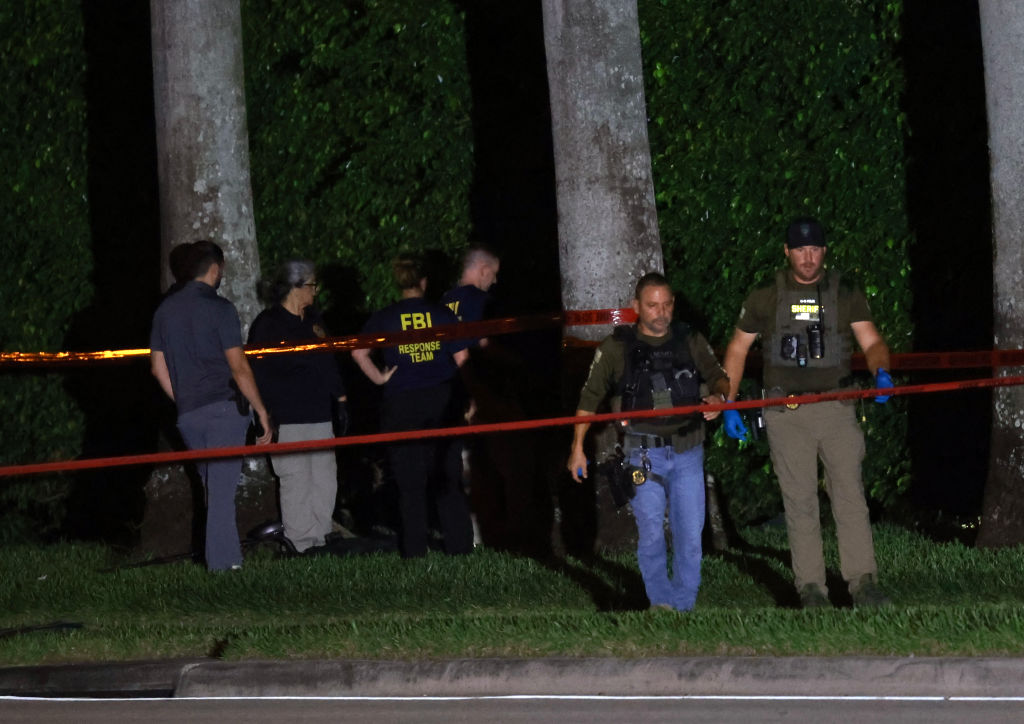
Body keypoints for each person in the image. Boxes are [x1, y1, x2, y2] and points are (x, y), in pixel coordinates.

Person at [722, 218, 894, 608]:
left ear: (825, 251)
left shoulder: (845, 291)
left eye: (815, 249)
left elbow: (872, 341)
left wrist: (881, 371)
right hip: (786, 411)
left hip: (836, 407)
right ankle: (812, 588)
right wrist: (730, 402)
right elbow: (736, 350)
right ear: (787, 252)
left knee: (849, 495)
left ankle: (863, 582)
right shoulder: (766, 295)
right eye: (800, 250)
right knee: (799, 500)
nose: (808, 257)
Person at [567, 272, 730, 612]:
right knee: (652, 533)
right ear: (636, 307)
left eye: (667, 304)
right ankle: (660, 603)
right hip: (642, 453)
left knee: (689, 536)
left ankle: (683, 607)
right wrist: (577, 447)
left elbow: (719, 377)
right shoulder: (616, 347)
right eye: (652, 305)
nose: (661, 312)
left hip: (688, 450)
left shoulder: (690, 339)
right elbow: (590, 396)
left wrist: (718, 397)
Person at [150, 240, 273, 571]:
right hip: (224, 409)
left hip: (189, 414)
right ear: (215, 269)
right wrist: (260, 409)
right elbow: (239, 366)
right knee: (220, 491)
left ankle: (223, 557)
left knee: (213, 488)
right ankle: (225, 567)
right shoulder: (220, 309)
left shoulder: (165, 311)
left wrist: (184, 399)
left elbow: (158, 369)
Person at [352, 253, 474, 558]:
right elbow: (463, 360)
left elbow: (358, 352)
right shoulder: (443, 314)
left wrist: (380, 379)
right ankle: (459, 549)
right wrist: (469, 398)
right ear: (424, 281)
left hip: (402, 404)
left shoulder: (385, 317)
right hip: (441, 401)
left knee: (409, 483)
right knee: (448, 476)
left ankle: (415, 552)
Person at [247, 260, 348, 553]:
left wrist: (340, 400)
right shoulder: (267, 324)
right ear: (295, 287)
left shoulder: (314, 321)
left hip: (319, 413)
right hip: (287, 418)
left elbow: (328, 361)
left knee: (325, 481)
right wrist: (263, 415)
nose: (315, 291)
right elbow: (257, 374)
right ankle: (301, 546)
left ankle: (322, 539)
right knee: (296, 482)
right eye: (312, 285)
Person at [441, 244, 500, 345]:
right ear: (484, 271)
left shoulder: (443, 300)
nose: (495, 280)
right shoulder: (483, 301)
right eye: (494, 273)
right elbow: (484, 344)